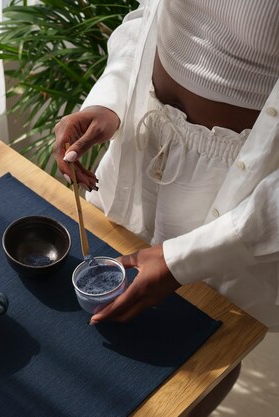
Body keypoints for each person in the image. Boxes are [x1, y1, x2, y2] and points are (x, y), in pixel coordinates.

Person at [54, 1, 278, 414]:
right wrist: (111, 100)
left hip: (237, 191)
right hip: (144, 142)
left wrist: (182, 260)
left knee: (197, 351)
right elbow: (149, 17)